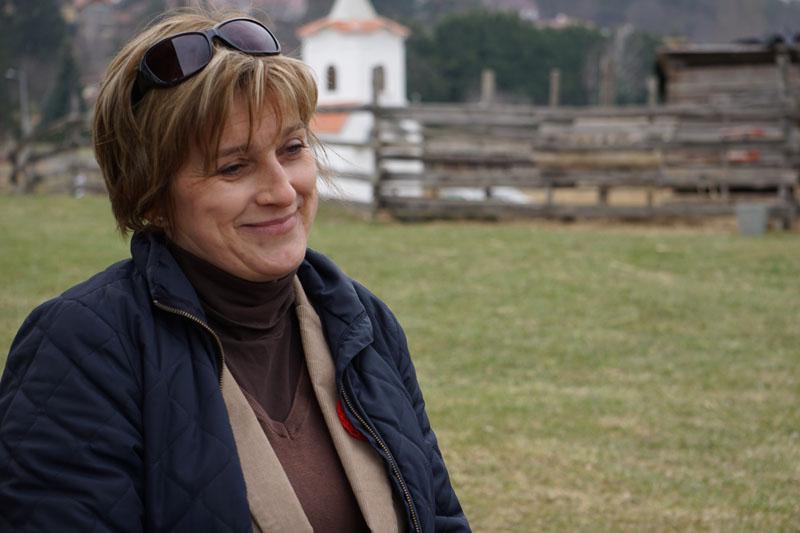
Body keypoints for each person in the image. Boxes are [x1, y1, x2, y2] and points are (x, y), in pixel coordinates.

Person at [0, 11, 469, 532]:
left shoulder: (363, 324)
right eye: (234, 167)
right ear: (151, 196)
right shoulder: (82, 350)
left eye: (292, 149)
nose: (282, 192)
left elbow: (439, 517)